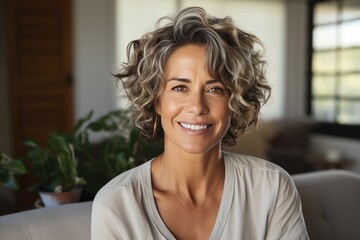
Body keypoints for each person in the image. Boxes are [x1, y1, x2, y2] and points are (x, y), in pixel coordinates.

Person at [91, 6, 309, 240]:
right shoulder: (116, 204)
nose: (197, 106)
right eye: (180, 87)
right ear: (156, 100)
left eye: (215, 89)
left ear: (235, 101)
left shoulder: (272, 187)